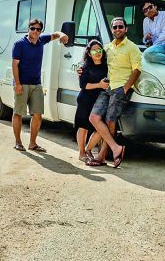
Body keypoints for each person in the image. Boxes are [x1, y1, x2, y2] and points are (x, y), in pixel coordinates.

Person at [88, 17, 141, 168]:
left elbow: (137, 70)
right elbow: (95, 59)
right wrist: (82, 69)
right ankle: (116, 148)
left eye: (120, 27)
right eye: (115, 27)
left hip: (121, 88)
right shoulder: (108, 48)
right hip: (108, 87)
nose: (118, 29)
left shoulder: (132, 48)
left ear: (126, 29)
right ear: (112, 30)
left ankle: (101, 156)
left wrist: (125, 88)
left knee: (110, 121)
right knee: (94, 117)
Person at [11, 18, 69, 152]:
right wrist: (17, 83)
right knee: (18, 113)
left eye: (38, 29)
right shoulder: (19, 44)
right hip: (22, 83)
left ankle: (32, 143)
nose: (35, 31)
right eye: (33, 28)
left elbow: (54, 35)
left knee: (38, 114)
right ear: (28, 29)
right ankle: (18, 142)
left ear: (40, 31)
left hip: (36, 84)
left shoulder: (41, 41)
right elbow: (15, 65)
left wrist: (62, 35)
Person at [74, 39, 108, 164]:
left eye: (99, 50)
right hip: (85, 99)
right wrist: (99, 85)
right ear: (89, 53)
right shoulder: (85, 67)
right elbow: (83, 85)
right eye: (94, 51)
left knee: (99, 127)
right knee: (83, 127)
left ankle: (88, 149)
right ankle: (81, 153)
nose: (97, 52)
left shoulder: (107, 66)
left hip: (100, 100)